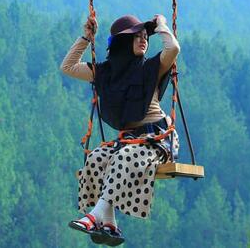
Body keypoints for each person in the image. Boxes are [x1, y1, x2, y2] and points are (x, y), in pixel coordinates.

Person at [60, 14, 180, 246]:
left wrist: (162, 26)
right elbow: (68, 66)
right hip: (131, 141)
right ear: (123, 42)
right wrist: (86, 37)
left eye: (146, 36)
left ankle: (95, 215)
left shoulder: (151, 67)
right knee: (96, 158)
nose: (144, 40)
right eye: (137, 37)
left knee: (124, 157)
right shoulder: (106, 72)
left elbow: (173, 47)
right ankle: (109, 223)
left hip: (158, 139)